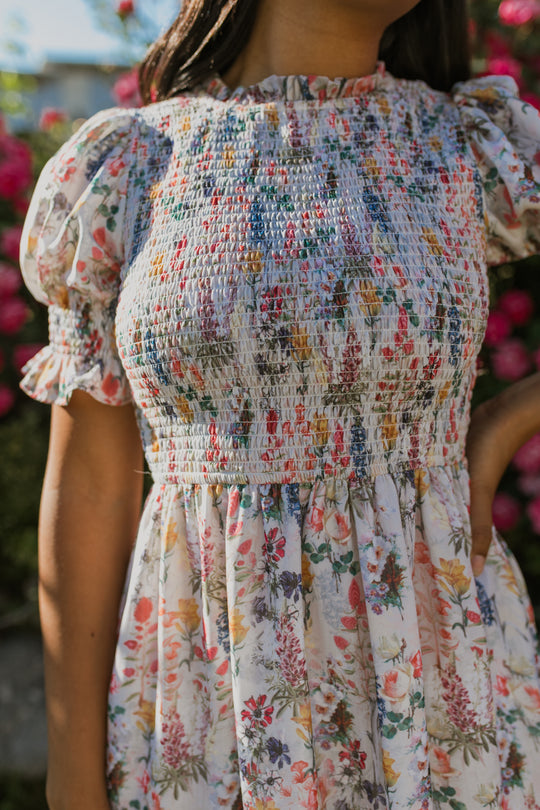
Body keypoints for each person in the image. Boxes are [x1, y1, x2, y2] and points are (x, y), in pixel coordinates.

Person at [18, 0, 540, 807]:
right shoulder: (128, 168)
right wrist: (73, 776)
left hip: (437, 711)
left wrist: (505, 425)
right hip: (201, 716)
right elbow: (91, 485)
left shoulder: (467, 147)